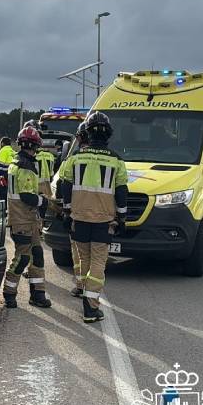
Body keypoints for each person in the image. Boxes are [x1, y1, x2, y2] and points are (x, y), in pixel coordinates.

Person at [60, 112, 127, 323]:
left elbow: (65, 186)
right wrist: (122, 217)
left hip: (79, 218)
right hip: (103, 220)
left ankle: (84, 293)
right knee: (98, 261)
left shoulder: (74, 158)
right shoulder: (116, 160)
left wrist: (66, 212)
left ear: (87, 133)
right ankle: (90, 307)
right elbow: (121, 191)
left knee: (84, 259)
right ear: (108, 134)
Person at [1, 126, 52, 309]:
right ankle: (9, 293)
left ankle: (38, 294)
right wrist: (44, 201)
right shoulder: (25, 166)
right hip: (22, 220)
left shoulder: (17, 162)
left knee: (37, 255)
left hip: (28, 220)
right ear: (35, 146)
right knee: (22, 257)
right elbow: (27, 196)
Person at [57, 121, 89, 297]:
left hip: (78, 213)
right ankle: (92, 288)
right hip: (102, 215)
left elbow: (62, 184)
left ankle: (81, 284)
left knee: (78, 251)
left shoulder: (72, 160)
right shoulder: (111, 159)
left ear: (79, 138)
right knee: (97, 254)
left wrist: (65, 210)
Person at [0, 137, 15, 202]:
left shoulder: (3, 151)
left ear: (2, 143)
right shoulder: (13, 152)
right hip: (11, 178)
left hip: (2, 179)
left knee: (2, 199)